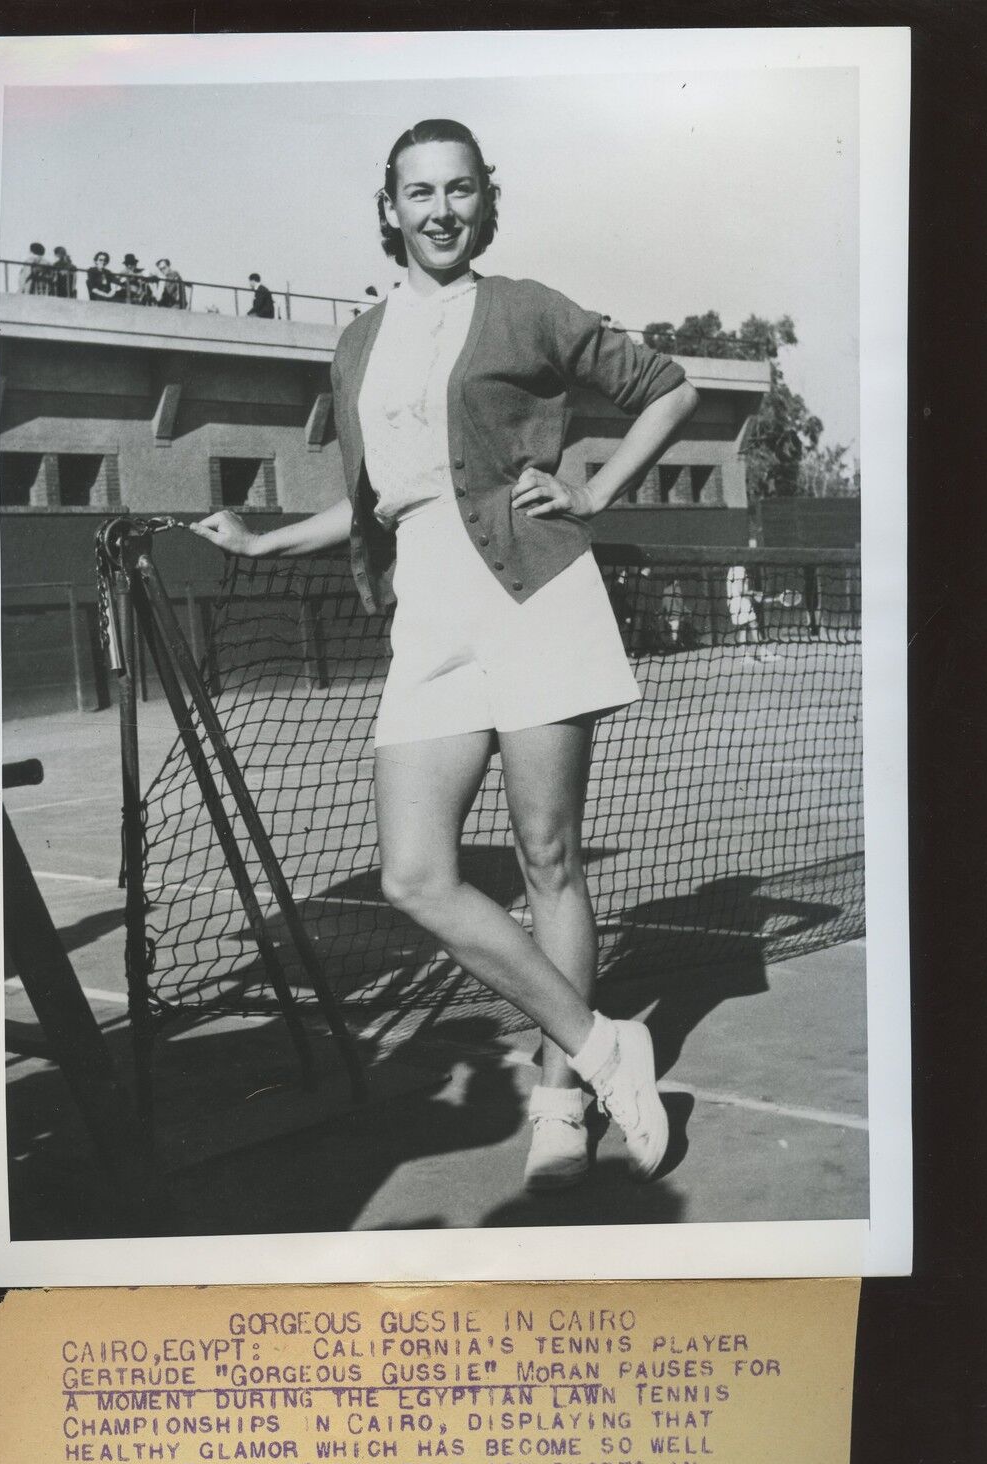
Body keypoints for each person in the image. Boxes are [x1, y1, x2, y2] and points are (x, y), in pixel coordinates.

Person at [192, 118, 698, 1192]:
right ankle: (608, 1045)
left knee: (547, 854)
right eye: (418, 193)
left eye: (459, 190)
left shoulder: (525, 307)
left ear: (483, 199)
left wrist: (596, 491)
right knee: (415, 872)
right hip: (427, 614)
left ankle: (563, 1094)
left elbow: (669, 385)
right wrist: (269, 534)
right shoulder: (357, 343)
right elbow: (380, 503)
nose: (440, 211)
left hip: (536, 595)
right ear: (389, 208)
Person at [726, 564, 778, 663]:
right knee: (754, 625)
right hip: (740, 603)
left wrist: (754, 594)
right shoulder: (739, 569)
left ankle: (745, 657)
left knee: (743, 629)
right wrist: (755, 593)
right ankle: (763, 654)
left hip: (735, 603)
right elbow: (741, 590)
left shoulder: (733, 568)